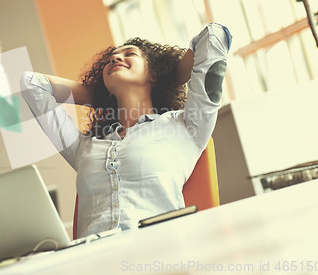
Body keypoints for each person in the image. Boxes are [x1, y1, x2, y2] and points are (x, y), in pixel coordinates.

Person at [20, 23, 232, 238]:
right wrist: (100, 95)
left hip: (158, 255)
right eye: (111, 59)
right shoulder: (84, 147)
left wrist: (167, 77)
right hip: (92, 261)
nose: (115, 59)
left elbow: (214, 37)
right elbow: (32, 84)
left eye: (130, 54)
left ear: (153, 74)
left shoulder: (186, 126)